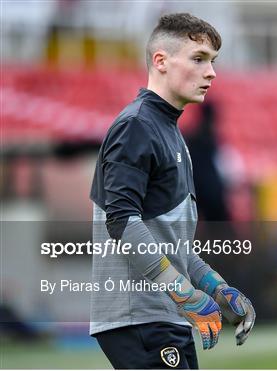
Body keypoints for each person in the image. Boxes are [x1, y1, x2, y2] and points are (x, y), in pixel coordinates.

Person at [89, 13, 255, 369]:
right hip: (141, 317)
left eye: (213, 61)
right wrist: (185, 294)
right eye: (199, 59)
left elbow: (174, 247)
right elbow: (120, 221)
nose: (211, 72)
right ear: (160, 61)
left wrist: (217, 288)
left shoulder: (169, 130)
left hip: (160, 315)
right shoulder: (136, 126)